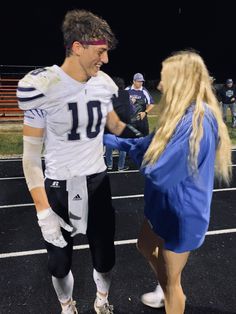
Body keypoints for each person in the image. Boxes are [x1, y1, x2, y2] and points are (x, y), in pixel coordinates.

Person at [17, 9, 141, 314]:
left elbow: (113, 127)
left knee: (106, 258)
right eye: (100, 51)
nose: (106, 59)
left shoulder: (104, 83)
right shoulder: (42, 86)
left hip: (97, 182)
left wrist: (146, 140)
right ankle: (67, 306)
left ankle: (102, 301)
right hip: (58, 185)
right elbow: (31, 157)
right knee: (58, 264)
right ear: (77, 47)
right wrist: (42, 210)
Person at [104, 50, 232, 314]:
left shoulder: (198, 121)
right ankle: (165, 284)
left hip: (182, 215)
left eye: (165, 79)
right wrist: (104, 139)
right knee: (145, 245)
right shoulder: (178, 116)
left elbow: (160, 172)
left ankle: (169, 291)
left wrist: (133, 151)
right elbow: (145, 143)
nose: (159, 85)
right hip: (162, 206)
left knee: (174, 285)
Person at [105, 76, 131, 171]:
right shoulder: (126, 93)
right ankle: (120, 166)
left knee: (109, 144)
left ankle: (109, 165)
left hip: (111, 121)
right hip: (123, 122)